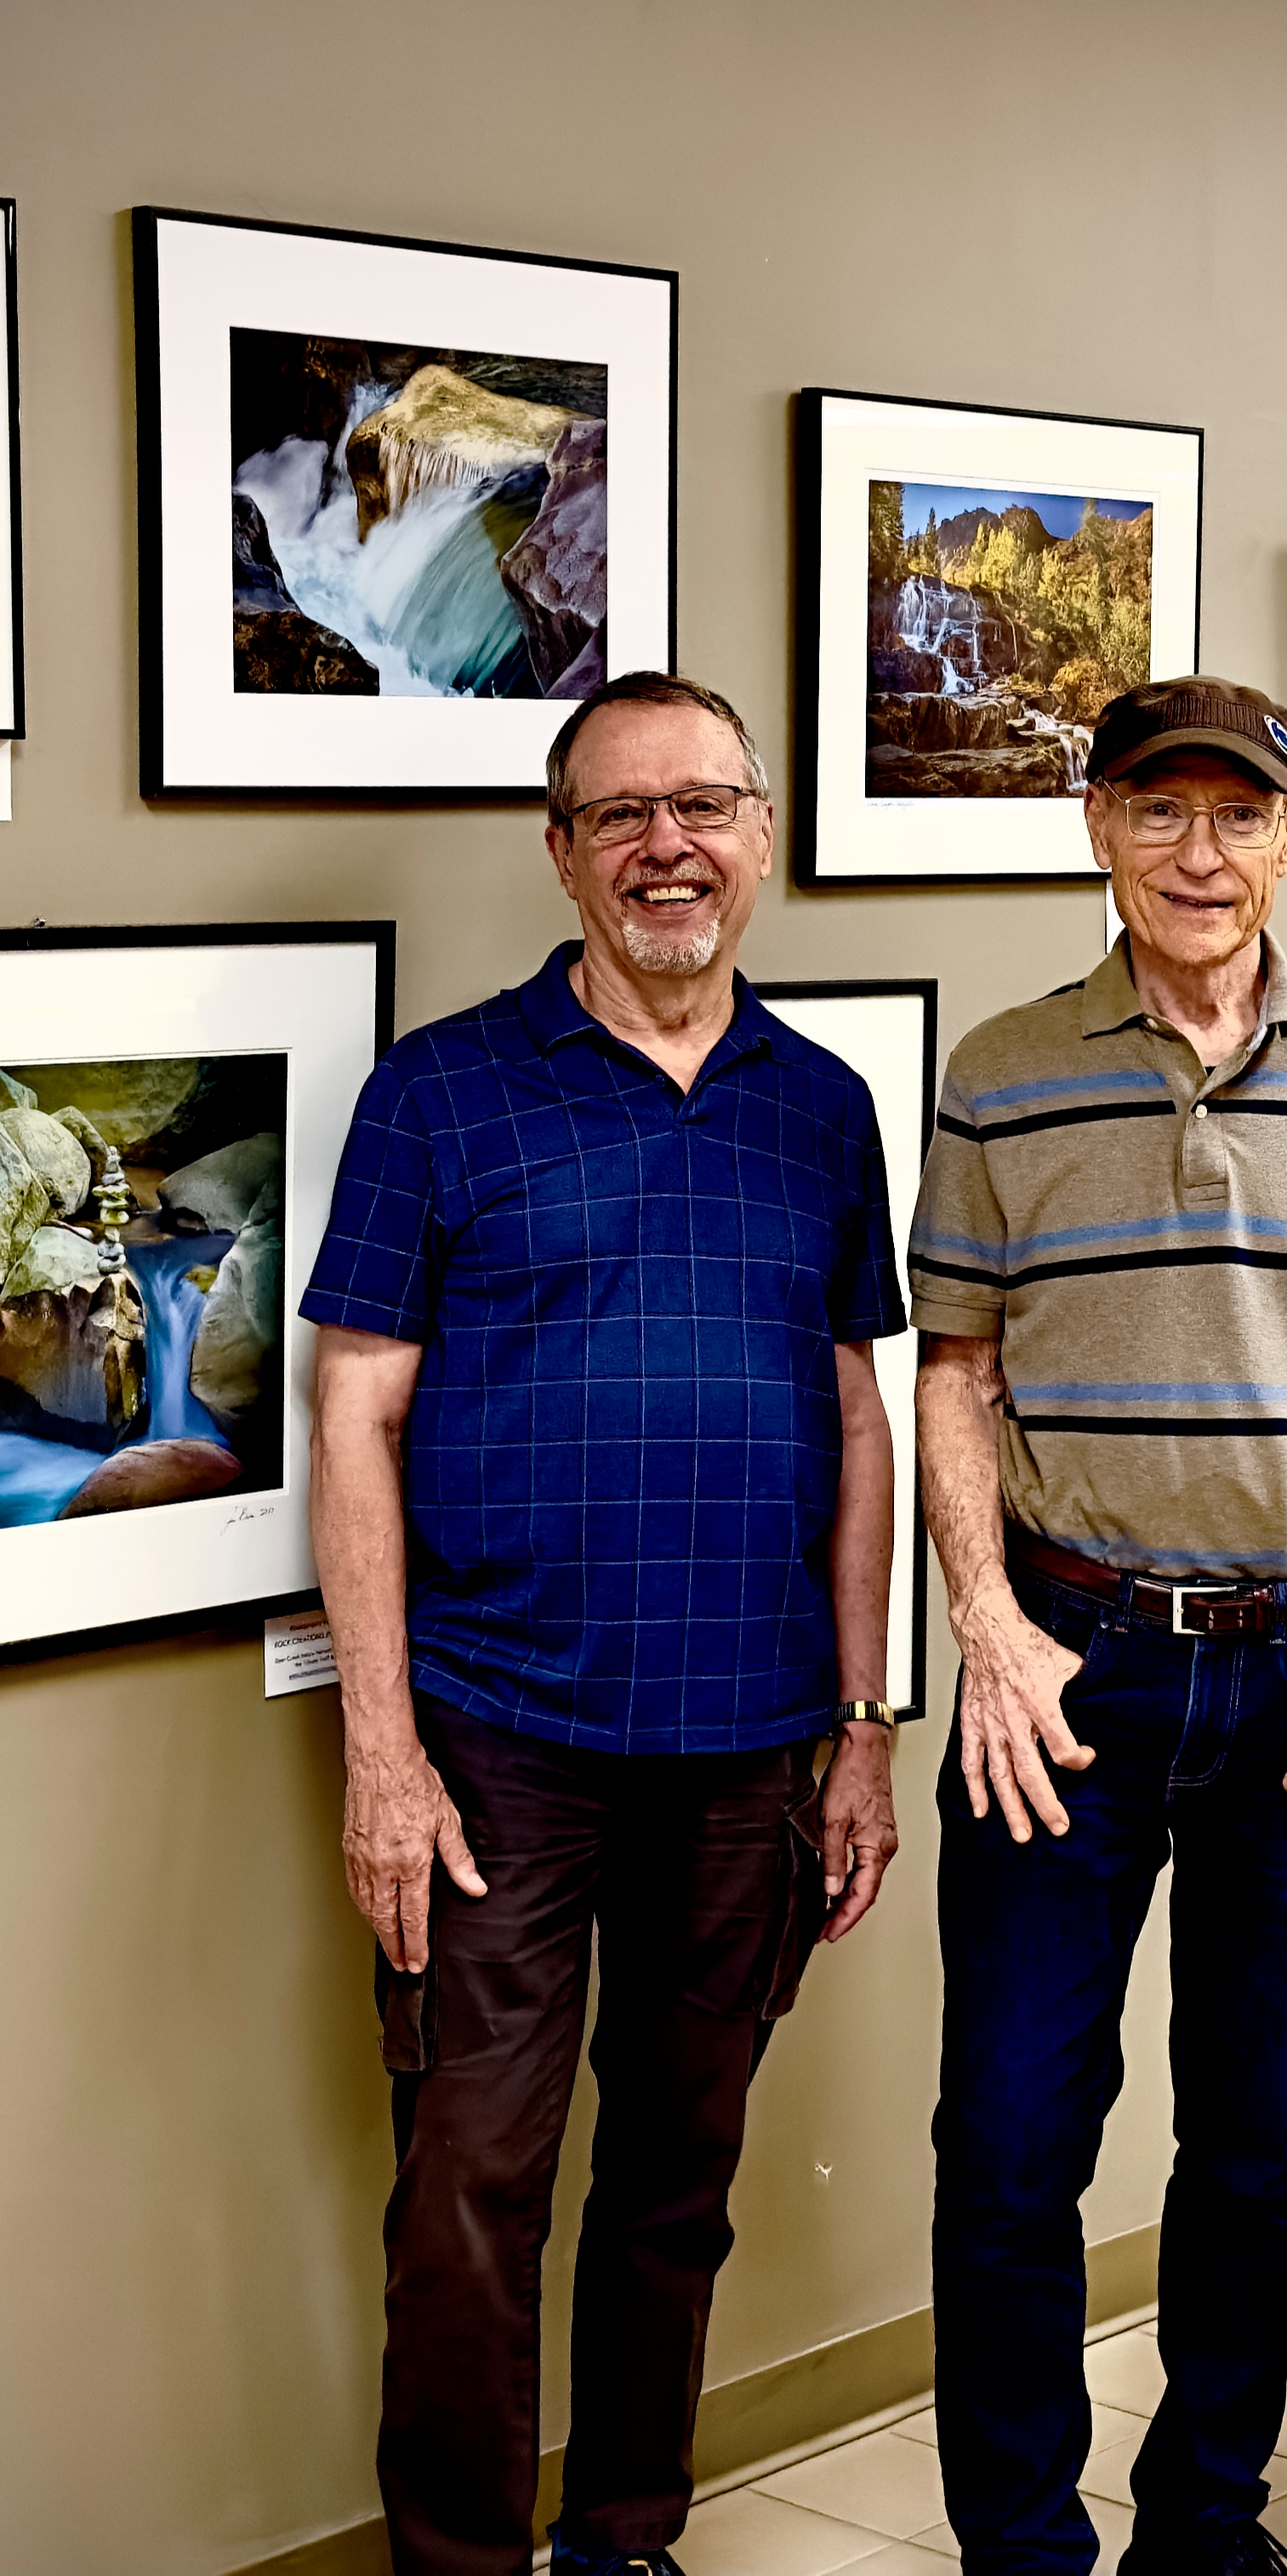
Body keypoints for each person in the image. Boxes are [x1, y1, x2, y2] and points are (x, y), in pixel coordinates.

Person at [303, 672, 908, 2576]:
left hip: (748, 1753)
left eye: (705, 806)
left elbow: (857, 1408)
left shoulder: (818, 1107)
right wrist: (381, 1757)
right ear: (560, 849)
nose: (670, 845)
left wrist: (866, 1720)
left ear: (757, 837)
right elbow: (355, 1418)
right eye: (624, 813)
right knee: (469, 2188)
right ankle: (463, 2562)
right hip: (496, 1748)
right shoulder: (442, 1090)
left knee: (676, 2179)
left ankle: (625, 2534)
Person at [911, 675, 1287, 2576]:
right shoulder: (1001, 1070)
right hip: (1062, 1670)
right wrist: (984, 1625)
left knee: (1249, 2152)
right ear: (1095, 824)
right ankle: (1021, 2544)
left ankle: (1205, 2523)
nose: (1198, 850)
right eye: (1158, 810)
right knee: (1008, 2145)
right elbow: (953, 1369)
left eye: (1237, 814)